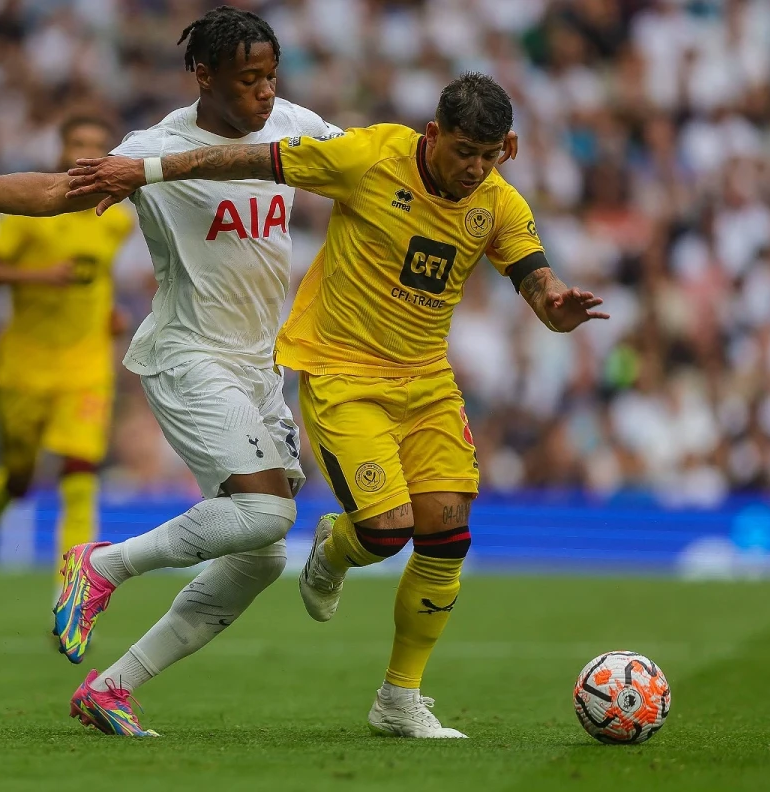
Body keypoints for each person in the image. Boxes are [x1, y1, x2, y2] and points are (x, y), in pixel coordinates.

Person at [64, 72, 606, 738]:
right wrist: (145, 170)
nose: (473, 167)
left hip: (427, 382)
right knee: (385, 530)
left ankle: (399, 698)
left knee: (447, 531)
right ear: (434, 134)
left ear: (509, 149)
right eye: (462, 150)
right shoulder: (369, 156)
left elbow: (535, 279)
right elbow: (249, 158)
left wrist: (555, 306)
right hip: (343, 374)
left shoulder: (498, 204)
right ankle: (334, 548)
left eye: (488, 155)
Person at [0, 6, 354, 737]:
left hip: (258, 367)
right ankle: (102, 566)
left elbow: (370, 164)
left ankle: (111, 688)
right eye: (248, 79)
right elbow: (59, 192)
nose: (265, 92)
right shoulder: (155, 148)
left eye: (271, 76)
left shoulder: (294, 124)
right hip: (188, 355)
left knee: (261, 554)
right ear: (202, 75)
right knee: (267, 513)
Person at [0, 115, 135, 588]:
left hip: (86, 365)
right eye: (76, 143)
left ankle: (72, 592)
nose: (85, 153)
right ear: (59, 149)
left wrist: (110, 313)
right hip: (23, 366)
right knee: (18, 478)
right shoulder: (24, 211)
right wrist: (37, 277)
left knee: (81, 475)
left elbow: (97, 279)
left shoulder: (114, 220)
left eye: (96, 146)